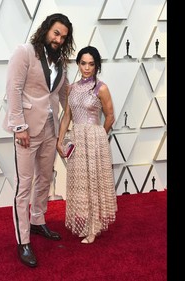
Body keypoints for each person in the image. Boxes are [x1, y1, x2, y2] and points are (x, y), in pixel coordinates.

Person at [3, 13, 75, 268]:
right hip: (26, 130)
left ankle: (37, 221)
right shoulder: (24, 52)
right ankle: (23, 240)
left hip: (49, 129)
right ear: (46, 30)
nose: (58, 39)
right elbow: (13, 88)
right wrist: (19, 126)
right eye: (56, 33)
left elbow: (63, 94)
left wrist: (76, 119)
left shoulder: (62, 62)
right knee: (24, 185)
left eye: (63, 37)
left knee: (45, 178)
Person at [56, 45, 117, 244]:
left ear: (97, 65)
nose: (87, 68)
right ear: (78, 64)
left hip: (94, 140)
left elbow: (110, 117)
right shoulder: (71, 88)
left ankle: (94, 227)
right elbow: (67, 116)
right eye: (83, 63)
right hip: (77, 140)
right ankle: (87, 224)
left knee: (94, 184)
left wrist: (99, 136)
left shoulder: (101, 88)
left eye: (91, 64)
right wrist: (60, 139)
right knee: (81, 184)